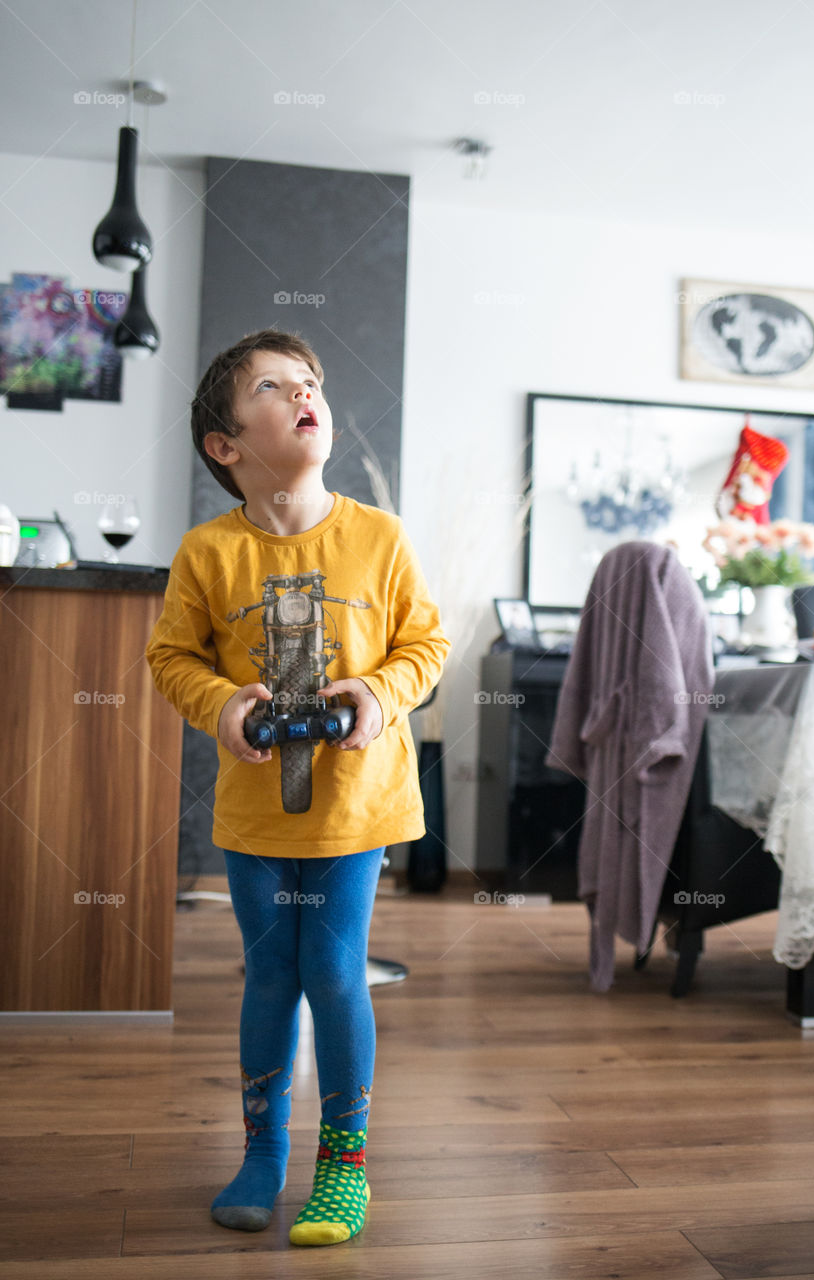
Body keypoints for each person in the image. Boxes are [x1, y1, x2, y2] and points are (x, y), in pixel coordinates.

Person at [145, 328, 450, 1245]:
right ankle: (263, 1151)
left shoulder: (378, 537)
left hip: (356, 805)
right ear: (226, 446)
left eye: (310, 380)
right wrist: (218, 705)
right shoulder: (208, 554)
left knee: (333, 966)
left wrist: (375, 690)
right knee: (269, 970)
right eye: (274, 386)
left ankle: (343, 1166)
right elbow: (171, 658)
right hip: (253, 812)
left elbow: (426, 647)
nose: (303, 392)